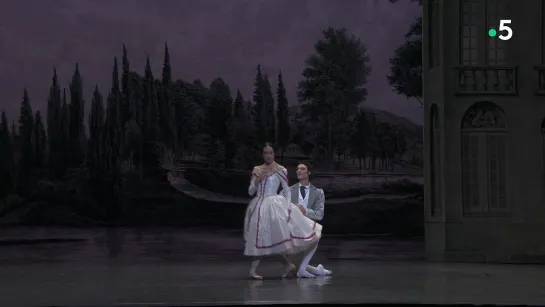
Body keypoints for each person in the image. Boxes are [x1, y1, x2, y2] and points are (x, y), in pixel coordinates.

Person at [244, 143, 322, 279]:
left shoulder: (280, 169)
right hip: (258, 206)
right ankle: (286, 265)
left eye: (270, 153)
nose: (268, 155)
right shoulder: (257, 169)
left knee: (270, 238)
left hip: (273, 205)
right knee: (262, 238)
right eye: (265, 153)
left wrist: (287, 208)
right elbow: (251, 191)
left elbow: (286, 190)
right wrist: (256, 181)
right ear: (263, 155)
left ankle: (256, 269)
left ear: (274, 154)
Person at [289, 162, 332, 276]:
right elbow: (280, 206)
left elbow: (319, 214)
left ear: (308, 172)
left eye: (302, 169)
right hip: (291, 228)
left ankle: (303, 270)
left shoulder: (318, 193)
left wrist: (306, 210)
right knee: (294, 263)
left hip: (307, 228)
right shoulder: (289, 191)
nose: (299, 171)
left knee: (316, 233)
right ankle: (318, 271)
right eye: (297, 169)